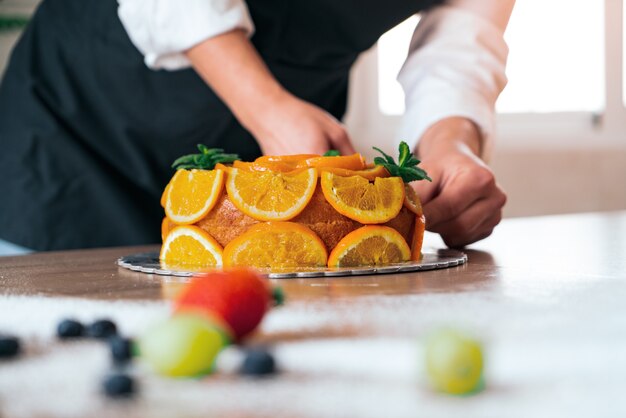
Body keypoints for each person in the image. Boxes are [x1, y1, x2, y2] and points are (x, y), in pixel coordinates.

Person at [0, 0, 512, 253]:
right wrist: (266, 107)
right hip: (74, 125)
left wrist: (450, 143)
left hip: (266, 163)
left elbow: (461, 35)